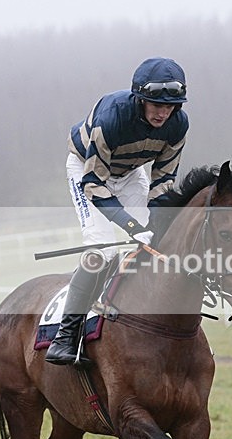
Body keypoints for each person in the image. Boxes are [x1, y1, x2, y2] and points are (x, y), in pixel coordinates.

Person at [45, 57, 190, 365]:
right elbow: (95, 183)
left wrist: (156, 223)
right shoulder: (112, 118)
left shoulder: (179, 124)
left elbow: (163, 181)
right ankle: (66, 336)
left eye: (170, 107)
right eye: (155, 105)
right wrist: (129, 224)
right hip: (87, 171)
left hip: (130, 173)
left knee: (152, 243)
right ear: (140, 99)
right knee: (103, 251)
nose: (163, 113)